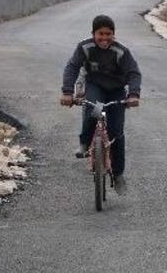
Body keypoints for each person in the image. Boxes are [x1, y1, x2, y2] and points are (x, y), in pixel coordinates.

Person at [60, 15, 141, 195]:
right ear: (93, 33)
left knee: (117, 133)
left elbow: (134, 73)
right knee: (93, 110)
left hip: (117, 90)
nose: (104, 38)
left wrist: (134, 95)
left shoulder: (122, 52)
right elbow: (72, 67)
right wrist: (67, 92)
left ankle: (118, 175)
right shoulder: (85, 47)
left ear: (114, 34)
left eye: (108, 34)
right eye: (100, 34)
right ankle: (84, 143)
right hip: (95, 86)